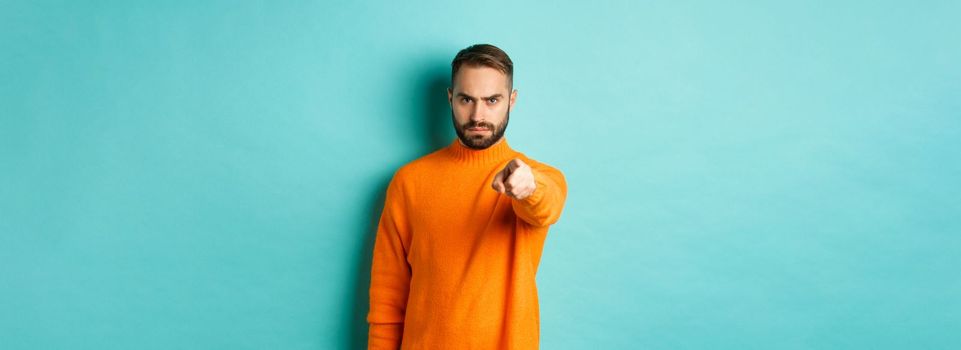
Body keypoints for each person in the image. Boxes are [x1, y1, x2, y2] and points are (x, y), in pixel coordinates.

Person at [367, 43, 568, 349]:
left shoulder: (537, 177)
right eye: (466, 100)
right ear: (450, 98)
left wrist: (529, 187)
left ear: (511, 101)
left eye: (492, 100)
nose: (478, 115)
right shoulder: (409, 182)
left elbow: (546, 206)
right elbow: (387, 300)